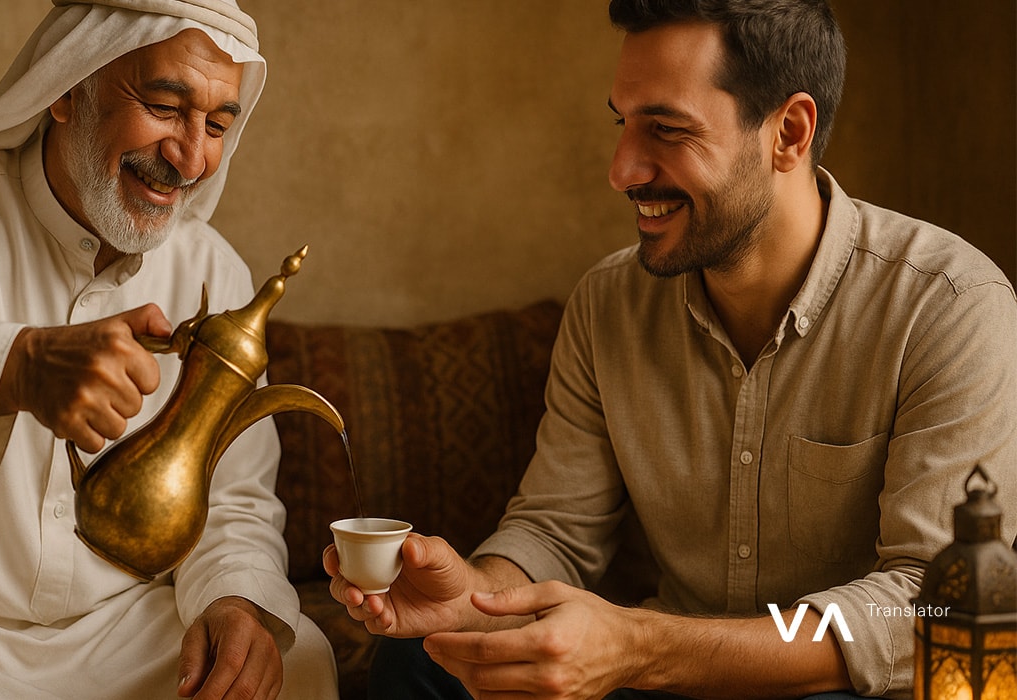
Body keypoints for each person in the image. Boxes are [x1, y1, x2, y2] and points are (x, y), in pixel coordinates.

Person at [325, 1, 1017, 698]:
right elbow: (559, 530)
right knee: (421, 658)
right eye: (622, 123)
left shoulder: (949, 305)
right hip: (657, 681)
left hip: (832, 688)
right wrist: (475, 597)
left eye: (666, 129)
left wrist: (642, 647)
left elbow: (929, 600)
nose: (622, 169)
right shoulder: (607, 305)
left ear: (789, 132)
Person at [0, 1, 338, 698]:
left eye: (216, 125)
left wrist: (235, 602)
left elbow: (236, 498)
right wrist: (16, 369)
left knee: (297, 660)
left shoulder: (216, 276)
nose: (189, 158)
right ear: (68, 87)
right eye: (163, 105)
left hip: (121, 636)